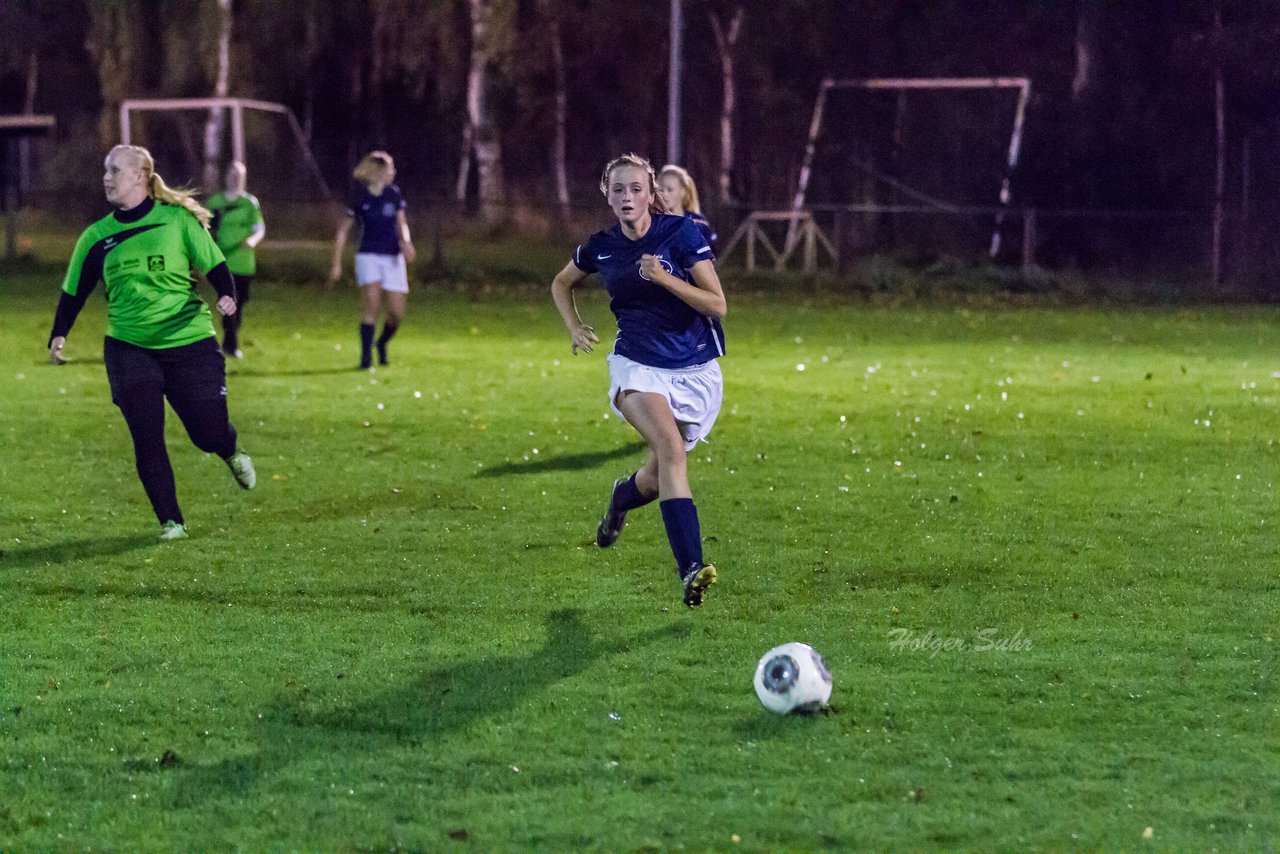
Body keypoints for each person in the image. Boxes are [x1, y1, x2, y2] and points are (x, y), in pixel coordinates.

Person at [47, 144, 256, 541]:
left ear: (141, 176)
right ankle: (171, 521)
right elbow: (74, 291)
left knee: (206, 433)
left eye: (115, 170)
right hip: (129, 347)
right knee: (146, 432)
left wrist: (226, 295)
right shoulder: (97, 236)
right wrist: (59, 332)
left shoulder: (176, 221)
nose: (106, 177)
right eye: (105, 170)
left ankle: (229, 450)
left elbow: (216, 265)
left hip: (189, 342)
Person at [550, 153, 727, 608]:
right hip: (635, 364)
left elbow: (716, 304)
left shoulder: (682, 234)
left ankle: (621, 500)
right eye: (618, 190)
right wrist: (573, 326)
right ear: (606, 196)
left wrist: (667, 278)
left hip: (695, 369)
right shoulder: (601, 245)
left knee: (654, 477)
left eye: (635, 189)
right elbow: (560, 282)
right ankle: (691, 569)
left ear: (651, 194)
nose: (627, 197)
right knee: (670, 452)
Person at [329, 151, 416, 369]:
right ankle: (365, 360)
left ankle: (382, 343)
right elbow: (342, 231)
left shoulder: (393, 194)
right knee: (371, 305)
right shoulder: (360, 196)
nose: (393, 173)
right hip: (368, 256)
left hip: (393, 258)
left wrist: (406, 241)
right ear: (379, 172)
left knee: (397, 314)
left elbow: (401, 223)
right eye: (390, 169)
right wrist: (336, 263)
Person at [206, 160, 265, 358]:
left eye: (239, 176)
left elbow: (259, 228)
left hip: (244, 262)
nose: (235, 179)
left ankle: (230, 338)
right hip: (223, 262)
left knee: (240, 302)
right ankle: (230, 344)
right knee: (228, 300)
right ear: (226, 177)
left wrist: (253, 240)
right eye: (232, 175)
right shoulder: (216, 203)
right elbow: (206, 230)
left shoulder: (250, 203)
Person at [657, 163, 718, 255]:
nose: (664, 194)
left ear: (683, 192)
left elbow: (710, 257)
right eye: (661, 190)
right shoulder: (653, 223)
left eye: (670, 189)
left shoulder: (698, 224)